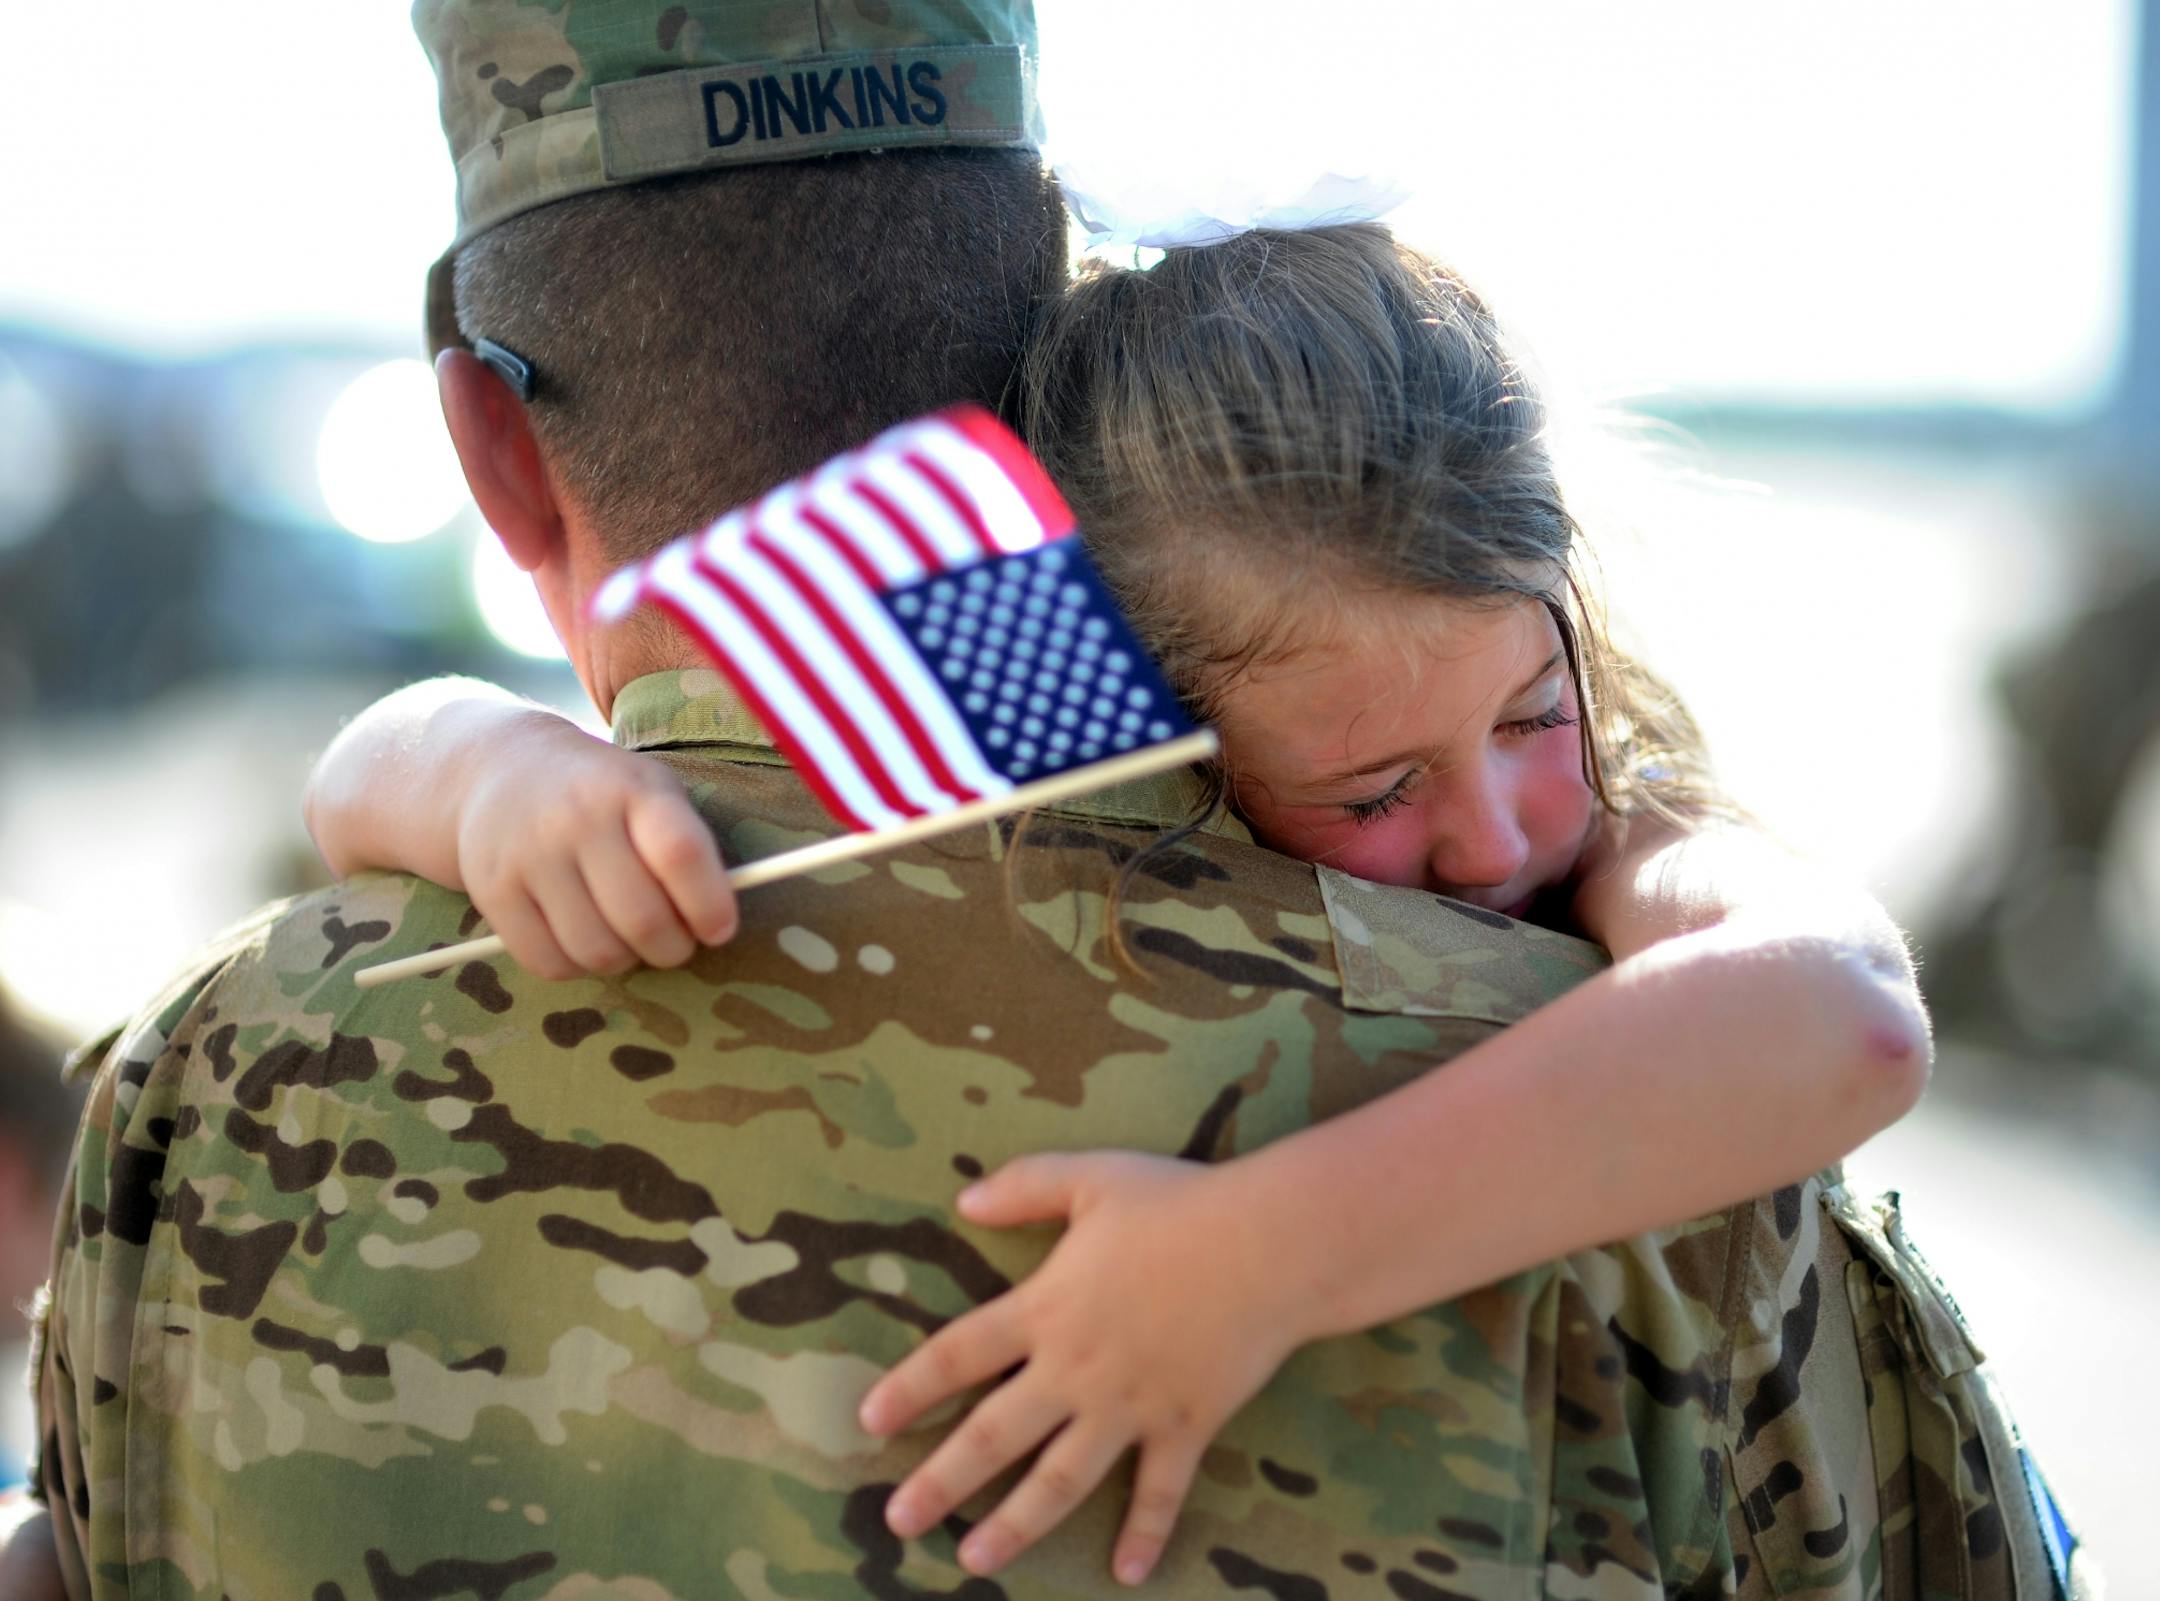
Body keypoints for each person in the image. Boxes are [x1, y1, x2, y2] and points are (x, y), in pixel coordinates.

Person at [28, 5, 2086, 1601]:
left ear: (486, 444)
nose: (1485, 829)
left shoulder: (206, 1107)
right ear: (1052, 386)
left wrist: (456, 766)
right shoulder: (1625, 1140)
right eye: (1380, 781)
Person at [303, 223, 1940, 1590]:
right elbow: (350, 781)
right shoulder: (1081, 798)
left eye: (1532, 708)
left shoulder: (1628, 841)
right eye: (1370, 794)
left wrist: (1259, 1256)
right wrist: (482, 758)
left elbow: (1846, 1017)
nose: (1492, 828)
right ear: (1146, 749)